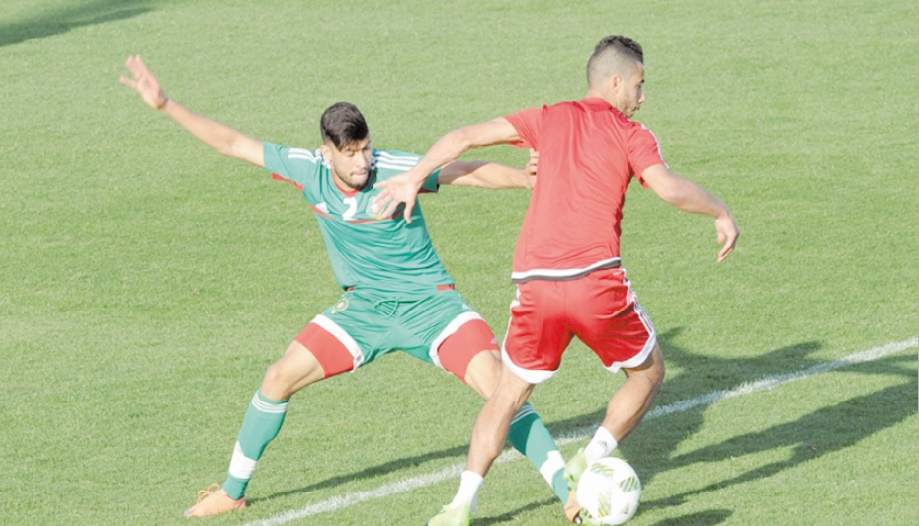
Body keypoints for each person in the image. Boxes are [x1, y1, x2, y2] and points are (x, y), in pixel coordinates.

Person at [118, 56, 582, 521]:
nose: (362, 162)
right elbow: (232, 143)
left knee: (502, 390)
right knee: (279, 376)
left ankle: (568, 492)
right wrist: (165, 105)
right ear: (328, 152)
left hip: (431, 306)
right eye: (351, 153)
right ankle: (233, 491)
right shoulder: (307, 170)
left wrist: (523, 179)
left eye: (365, 149)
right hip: (365, 310)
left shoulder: (395, 169)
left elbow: (464, 170)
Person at [372, 35, 740, 525]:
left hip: (535, 282)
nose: (643, 96)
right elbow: (670, 189)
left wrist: (412, 178)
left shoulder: (547, 117)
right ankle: (588, 459)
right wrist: (721, 211)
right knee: (649, 373)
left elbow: (462, 136)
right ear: (615, 81)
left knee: (507, 394)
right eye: (639, 84)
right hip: (594, 281)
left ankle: (460, 505)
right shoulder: (633, 134)